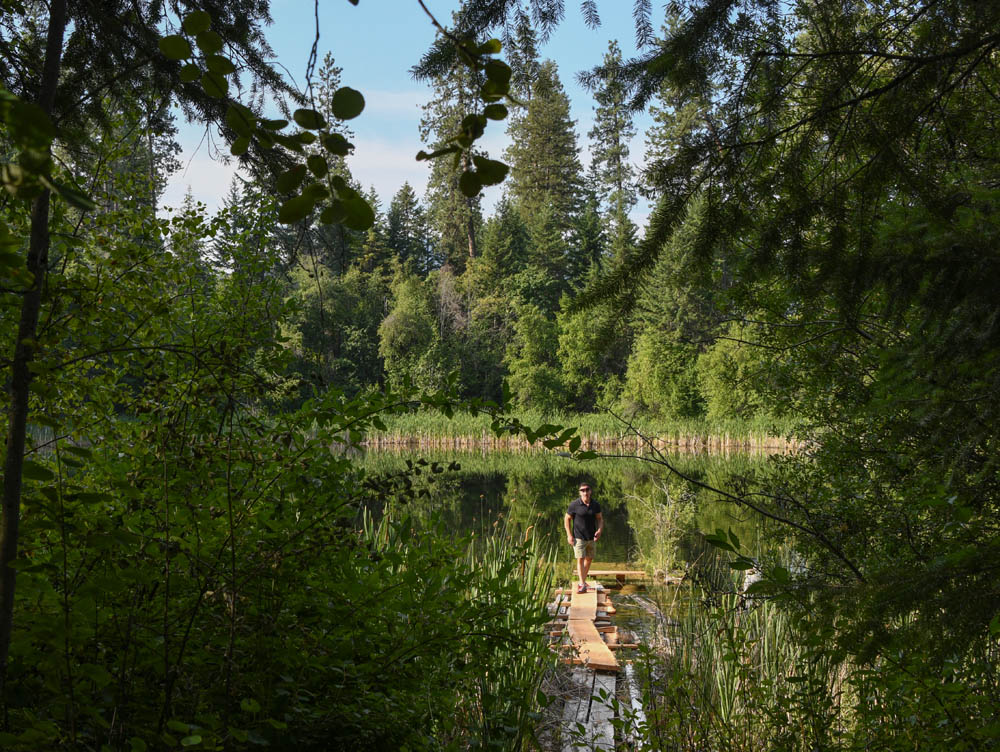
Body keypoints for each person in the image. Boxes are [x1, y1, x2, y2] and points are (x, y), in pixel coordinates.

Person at [564, 482, 603, 593]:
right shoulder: (574, 505)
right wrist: (569, 535)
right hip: (578, 537)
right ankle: (581, 584)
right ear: (580, 492)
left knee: (589, 559)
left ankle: (583, 581)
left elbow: (600, 518)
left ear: (590, 491)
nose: (585, 492)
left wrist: (599, 530)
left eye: (587, 489)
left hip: (591, 537)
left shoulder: (595, 505)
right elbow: (567, 519)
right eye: (582, 490)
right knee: (580, 559)